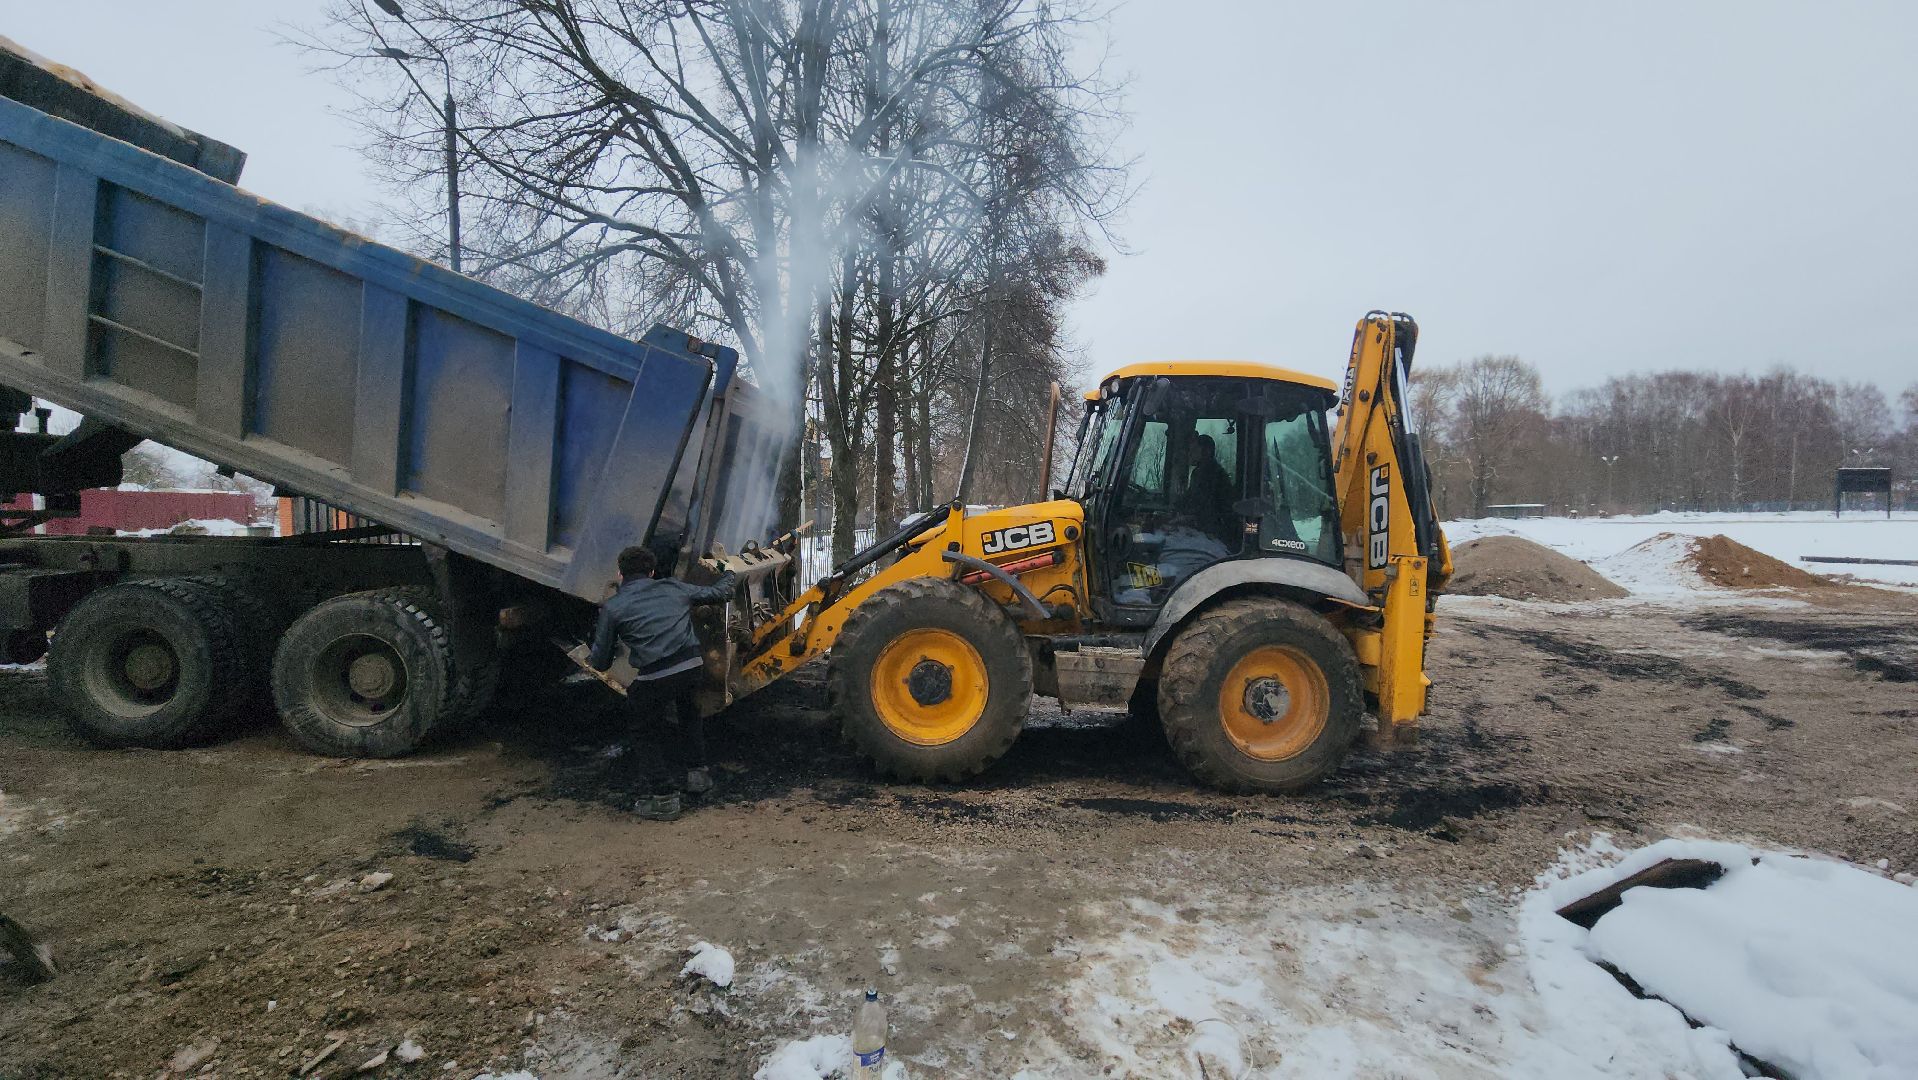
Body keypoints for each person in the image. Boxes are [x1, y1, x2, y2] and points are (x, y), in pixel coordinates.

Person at [590, 545, 736, 821]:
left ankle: (664, 798)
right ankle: (698, 776)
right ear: (652, 571)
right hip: (693, 667)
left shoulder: (613, 608)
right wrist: (727, 569)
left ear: (620, 574)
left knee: (644, 731)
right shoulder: (674, 587)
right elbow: (722, 592)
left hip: (655, 676)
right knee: (690, 715)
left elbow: (600, 662)